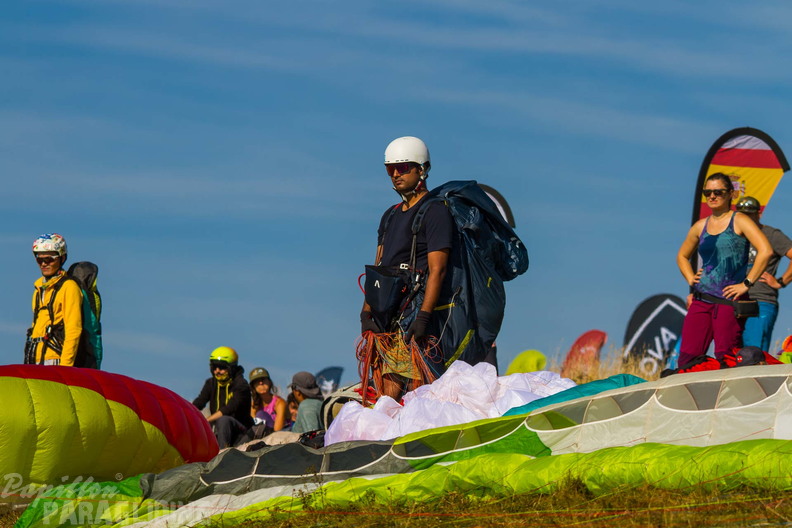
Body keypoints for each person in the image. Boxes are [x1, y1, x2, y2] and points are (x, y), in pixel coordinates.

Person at [360, 136, 455, 400]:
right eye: (390, 169)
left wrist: (423, 317)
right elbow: (379, 266)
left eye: (402, 168)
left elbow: (438, 270)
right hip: (385, 316)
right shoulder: (389, 215)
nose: (395, 175)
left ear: (422, 169)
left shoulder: (435, 212)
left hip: (414, 315)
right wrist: (366, 312)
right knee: (384, 395)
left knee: (415, 393)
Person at [676, 173, 772, 366]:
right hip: (701, 300)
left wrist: (746, 284)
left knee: (727, 357)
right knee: (688, 358)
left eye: (718, 192)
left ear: (730, 194)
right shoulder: (700, 226)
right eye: (707, 192)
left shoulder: (740, 220)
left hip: (729, 302)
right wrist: (690, 278)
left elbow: (766, 251)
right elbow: (682, 256)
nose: (712, 196)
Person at [735, 196, 792, 352]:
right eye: (742, 214)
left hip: (760, 300)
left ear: (758, 214)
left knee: (754, 353)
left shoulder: (771, 234)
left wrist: (781, 282)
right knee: (732, 354)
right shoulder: (732, 236)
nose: (746, 218)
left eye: (750, 214)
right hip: (733, 300)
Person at [25, 234, 83, 366]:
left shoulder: (69, 287)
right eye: (39, 260)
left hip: (55, 359)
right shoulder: (39, 288)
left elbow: (74, 329)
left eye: (49, 259)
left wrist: (65, 368)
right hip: (34, 359)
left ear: (62, 258)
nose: (44, 264)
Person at [192, 346, 253, 448]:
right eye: (214, 367)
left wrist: (206, 421)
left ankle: (222, 454)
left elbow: (229, 409)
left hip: (241, 430)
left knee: (224, 420)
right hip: (217, 427)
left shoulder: (241, 384)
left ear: (231, 367)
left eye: (221, 367)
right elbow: (199, 402)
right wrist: (187, 413)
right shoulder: (210, 383)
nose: (217, 371)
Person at [249, 367, 287, 432]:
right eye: (257, 381)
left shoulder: (279, 403)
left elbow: (277, 430)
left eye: (263, 379)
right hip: (260, 435)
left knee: (261, 414)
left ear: (269, 382)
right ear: (253, 386)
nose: (261, 383)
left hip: (277, 436)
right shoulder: (254, 405)